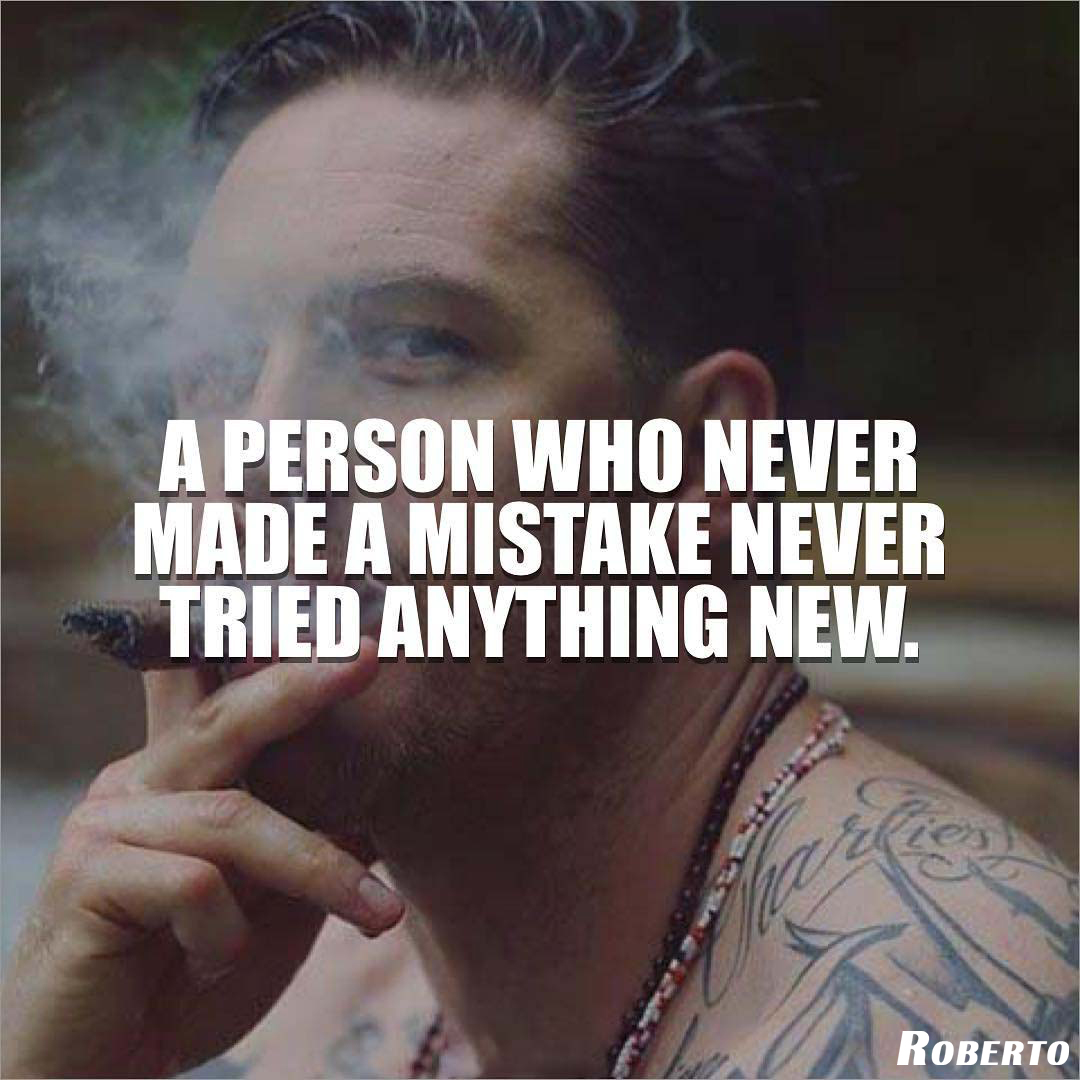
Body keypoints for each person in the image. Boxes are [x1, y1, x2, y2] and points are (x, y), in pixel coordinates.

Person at [3, 4, 1076, 1077]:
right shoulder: (256, 981)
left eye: (413, 344)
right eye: (220, 361)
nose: (257, 461)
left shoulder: (955, 1019)